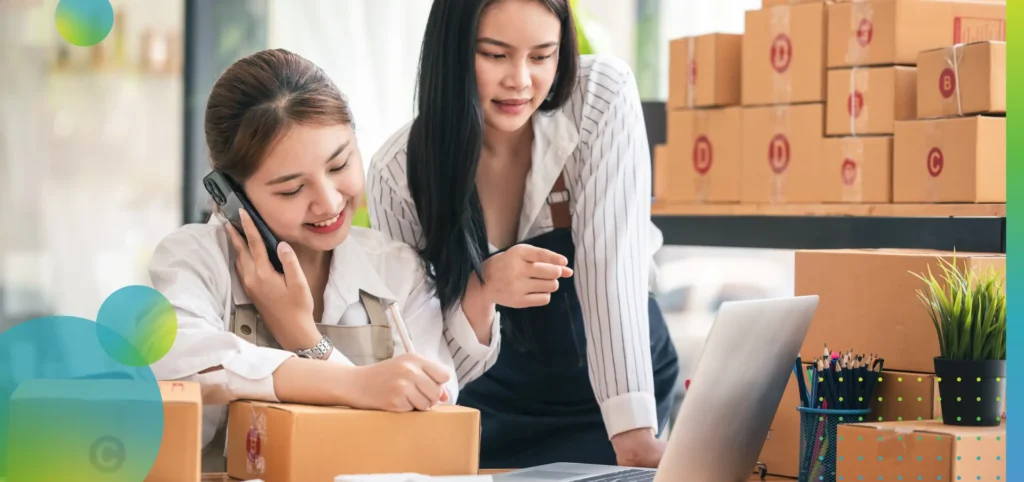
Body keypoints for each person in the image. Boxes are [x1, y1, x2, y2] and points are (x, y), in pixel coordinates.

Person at [147, 49, 500, 472]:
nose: (329, 202)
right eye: (292, 190)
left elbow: (434, 407)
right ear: (232, 195)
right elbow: (178, 360)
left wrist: (305, 338)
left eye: (340, 164)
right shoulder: (195, 260)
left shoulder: (395, 271)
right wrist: (355, 383)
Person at [366, 0, 680, 470]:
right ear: (452, 51)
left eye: (542, 56)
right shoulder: (399, 173)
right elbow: (417, 353)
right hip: (495, 417)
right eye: (495, 55)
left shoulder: (599, 97)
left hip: (627, 397)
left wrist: (634, 434)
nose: (520, 80)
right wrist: (483, 287)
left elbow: (612, 272)